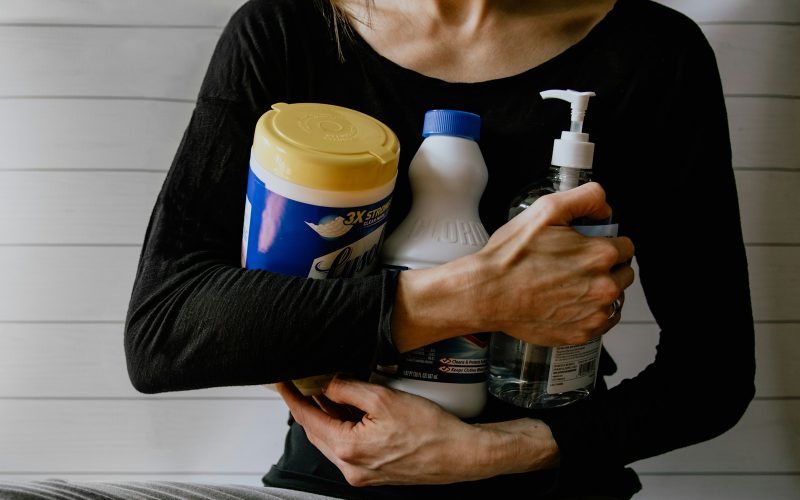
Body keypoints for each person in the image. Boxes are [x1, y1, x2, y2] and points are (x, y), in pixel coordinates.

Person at [1, 0, 753, 499]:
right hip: (338, 475)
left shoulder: (655, 53)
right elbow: (166, 334)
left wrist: (498, 451)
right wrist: (474, 296)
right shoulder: (289, 29)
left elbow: (713, 376)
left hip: (556, 478)